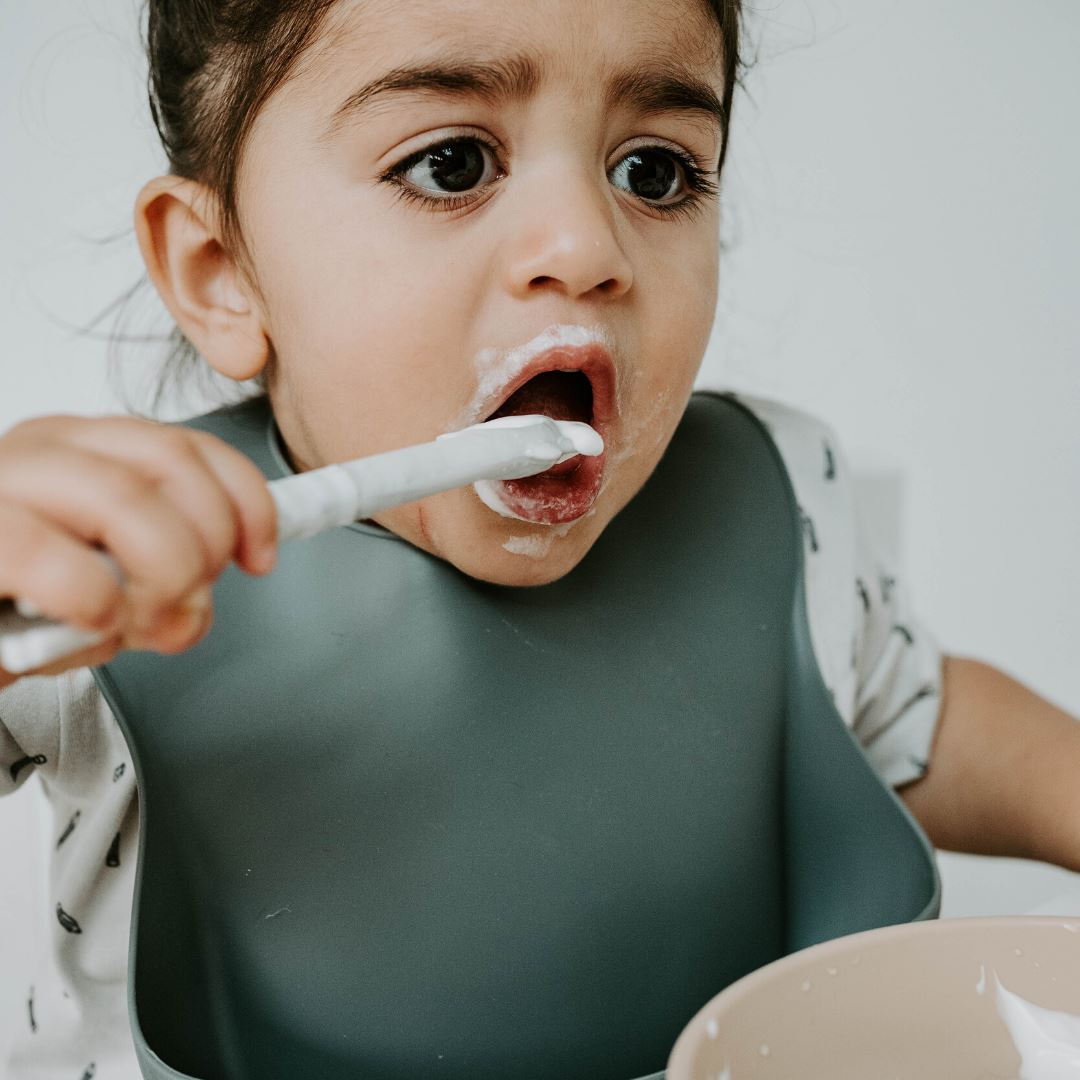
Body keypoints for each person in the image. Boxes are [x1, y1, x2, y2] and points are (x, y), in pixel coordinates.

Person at [1, 0, 1078, 1076]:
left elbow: (917, 724)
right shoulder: (97, 593)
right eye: (453, 163)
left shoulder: (781, 502)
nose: (585, 247)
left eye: (655, 173)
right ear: (218, 270)